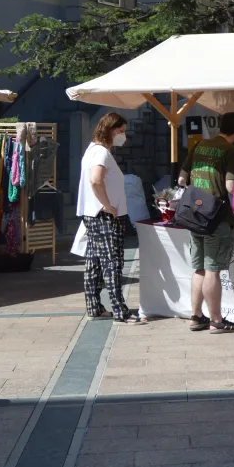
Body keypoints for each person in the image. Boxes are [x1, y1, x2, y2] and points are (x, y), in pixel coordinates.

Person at [177, 111, 234, 334]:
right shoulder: (231, 151)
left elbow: (181, 179)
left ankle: (196, 316)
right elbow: (230, 187)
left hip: (194, 216)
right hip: (217, 216)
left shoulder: (199, 146)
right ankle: (217, 320)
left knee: (199, 268)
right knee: (212, 270)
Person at [77, 112, 146, 324]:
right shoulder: (101, 154)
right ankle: (119, 310)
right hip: (105, 216)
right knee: (112, 262)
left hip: (92, 214)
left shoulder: (91, 150)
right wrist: (108, 205)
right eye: (122, 131)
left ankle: (94, 306)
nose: (123, 135)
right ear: (111, 129)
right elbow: (96, 180)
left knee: (94, 262)